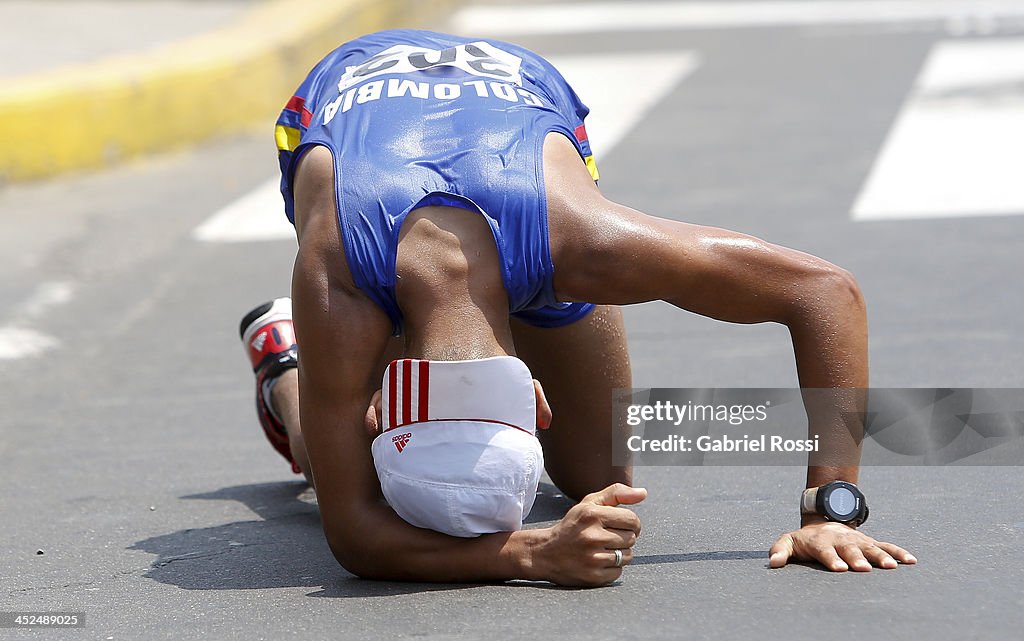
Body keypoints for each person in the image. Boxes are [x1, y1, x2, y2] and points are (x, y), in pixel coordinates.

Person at [239, 29, 915, 587]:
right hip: (351, 129)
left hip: (501, 123)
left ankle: (296, 371)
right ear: (539, 400)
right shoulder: (334, 280)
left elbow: (826, 294)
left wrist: (831, 509)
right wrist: (525, 552)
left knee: (596, 476)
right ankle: (290, 365)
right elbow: (351, 532)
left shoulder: (584, 244)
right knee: (575, 478)